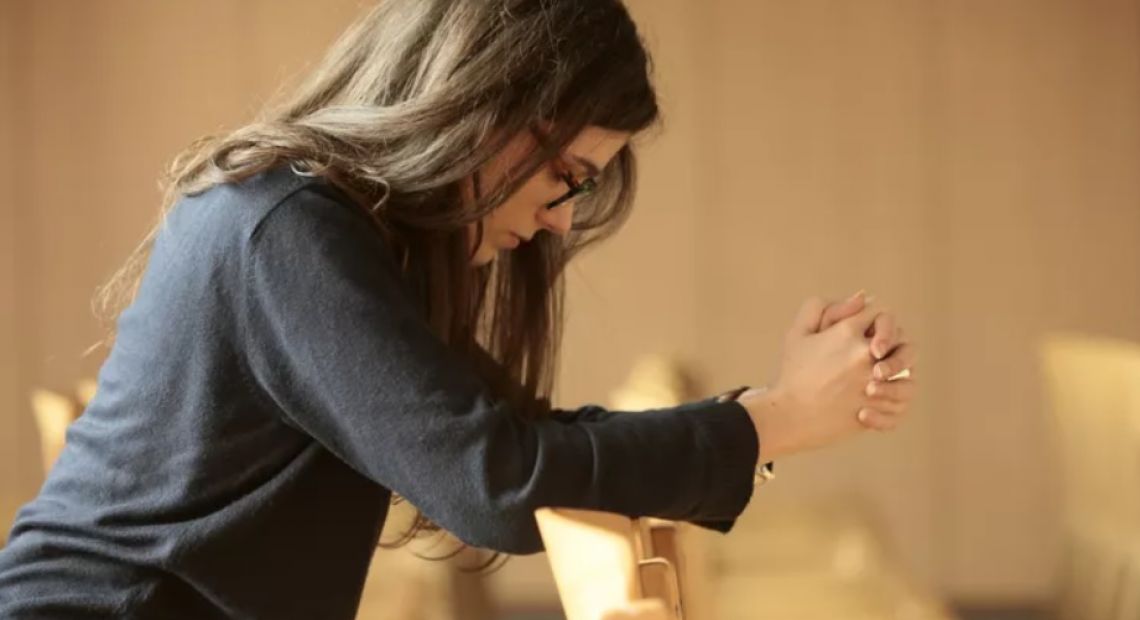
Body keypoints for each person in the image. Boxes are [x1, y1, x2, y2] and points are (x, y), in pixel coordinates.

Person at [0, 0, 917, 618]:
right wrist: (778, 419)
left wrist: (763, 415)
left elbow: (519, 443)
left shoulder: (328, 229)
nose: (561, 220)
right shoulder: (285, 226)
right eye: (566, 177)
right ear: (477, 105)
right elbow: (499, 487)